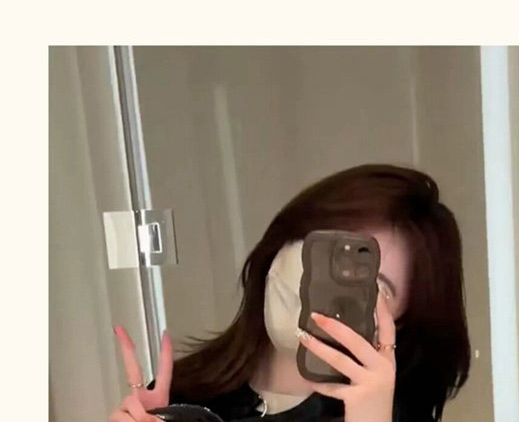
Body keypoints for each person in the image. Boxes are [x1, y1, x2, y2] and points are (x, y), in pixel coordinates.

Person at [108, 164, 471, 422]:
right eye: (324, 254)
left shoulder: (397, 415)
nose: (319, 288)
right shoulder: (182, 395)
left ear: (397, 326)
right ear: (281, 242)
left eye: (375, 287)